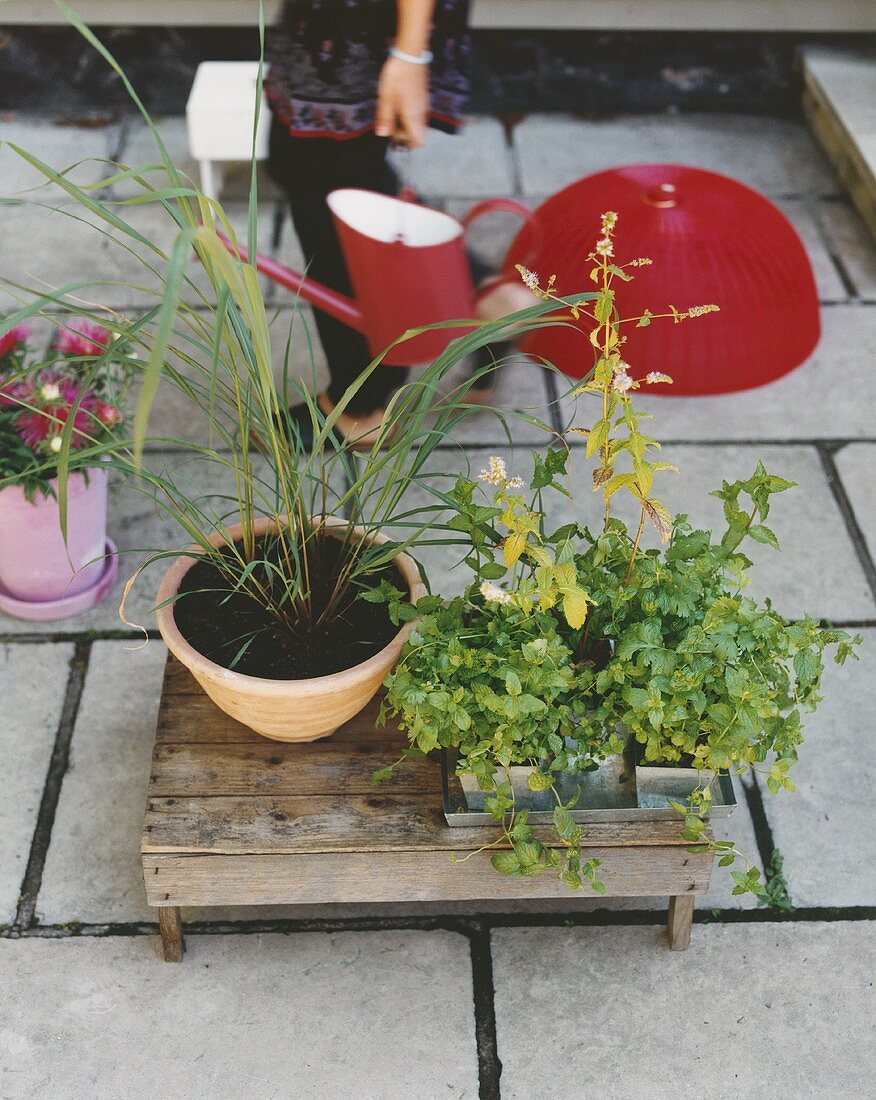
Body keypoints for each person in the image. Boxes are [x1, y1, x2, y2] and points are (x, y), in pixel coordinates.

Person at [265, 0, 527, 446]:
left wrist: (409, 52)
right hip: (350, 24)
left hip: (358, 25)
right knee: (329, 165)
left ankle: (362, 402)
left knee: (328, 175)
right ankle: (485, 295)